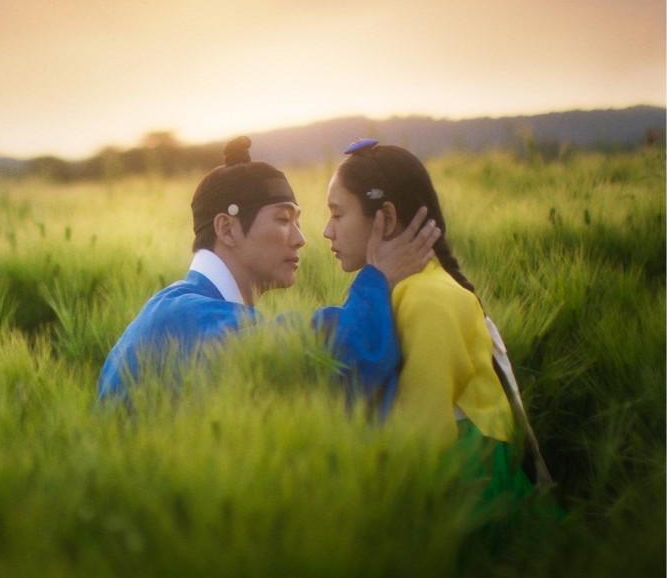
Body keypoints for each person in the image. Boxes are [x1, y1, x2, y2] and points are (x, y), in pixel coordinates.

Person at [96, 136, 441, 406]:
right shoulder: (183, 319)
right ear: (227, 229)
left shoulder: (177, 307)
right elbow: (335, 359)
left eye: (298, 221)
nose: (302, 239)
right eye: (282, 220)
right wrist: (378, 277)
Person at [321, 138, 551, 498]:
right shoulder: (404, 290)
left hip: (475, 496)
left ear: (387, 217)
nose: (326, 231)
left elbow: (423, 442)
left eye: (337, 214)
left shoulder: (427, 298)